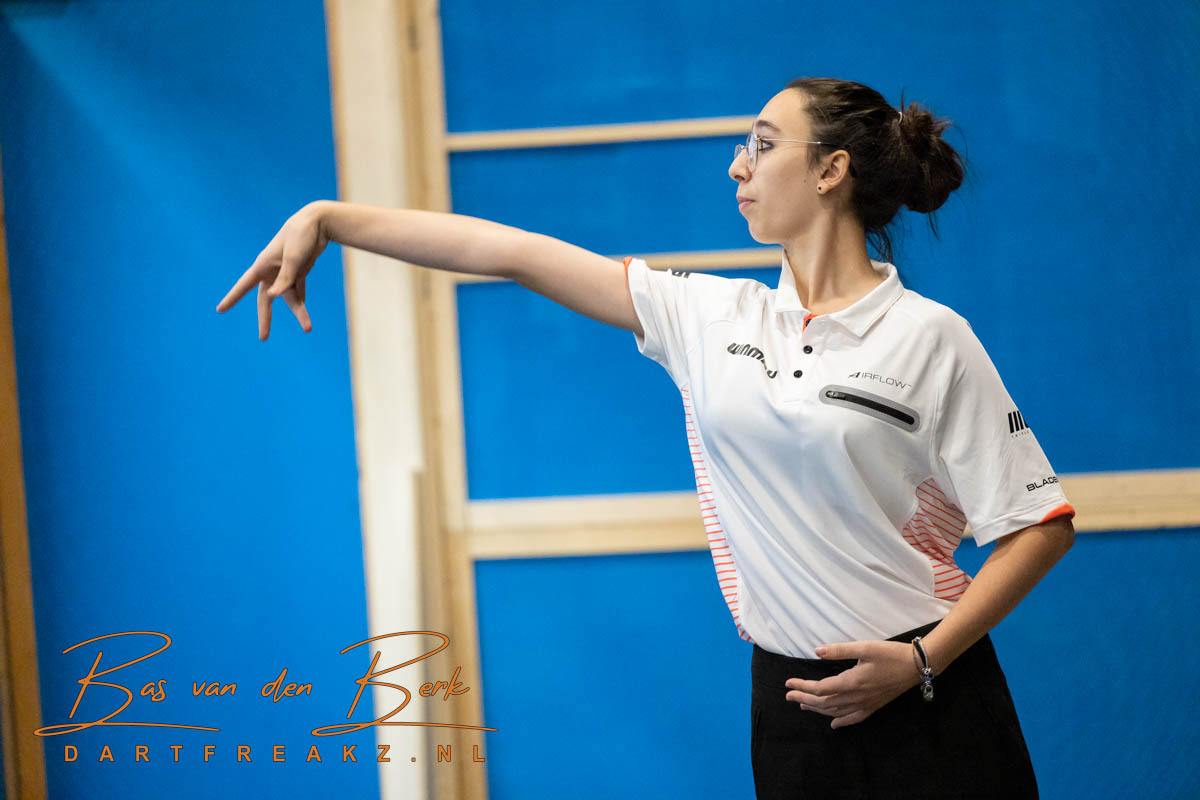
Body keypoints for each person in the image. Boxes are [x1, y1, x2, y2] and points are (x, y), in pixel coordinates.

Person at [218, 76, 1075, 798]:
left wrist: (921, 661)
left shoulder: (932, 337)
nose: (738, 164)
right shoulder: (707, 314)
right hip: (788, 704)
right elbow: (511, 252)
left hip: (932, 696)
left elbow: (1040, 525)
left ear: (831, 170)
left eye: (764, 144)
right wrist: (329, 216)